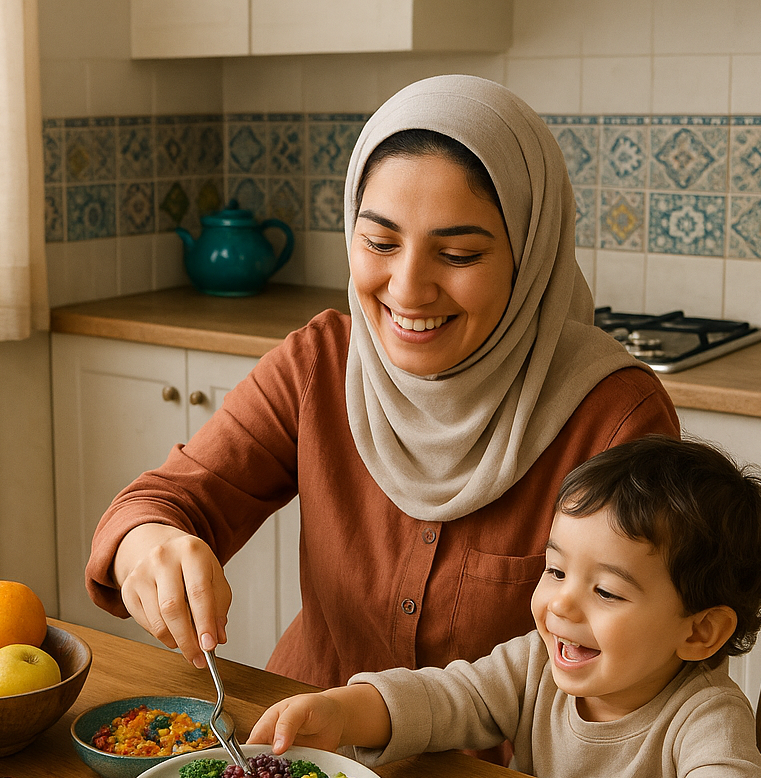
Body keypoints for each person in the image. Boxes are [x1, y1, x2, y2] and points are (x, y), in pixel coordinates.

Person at [85, 75, 679, 706]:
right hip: (302, 758)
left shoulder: (613, 419)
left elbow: (642, 669)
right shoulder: (320, 363)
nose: (407, 288)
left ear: (532, 256)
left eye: (457, 255)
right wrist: (148, 544)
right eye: (379, 243)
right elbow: (160, 501)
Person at [248, 435, 761, 778]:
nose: (560, 604)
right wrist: (345, 710)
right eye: (555, 570)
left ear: (700, 631)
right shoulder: (538, 662)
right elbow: (452, 696)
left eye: (606, 591)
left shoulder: (706, 712)